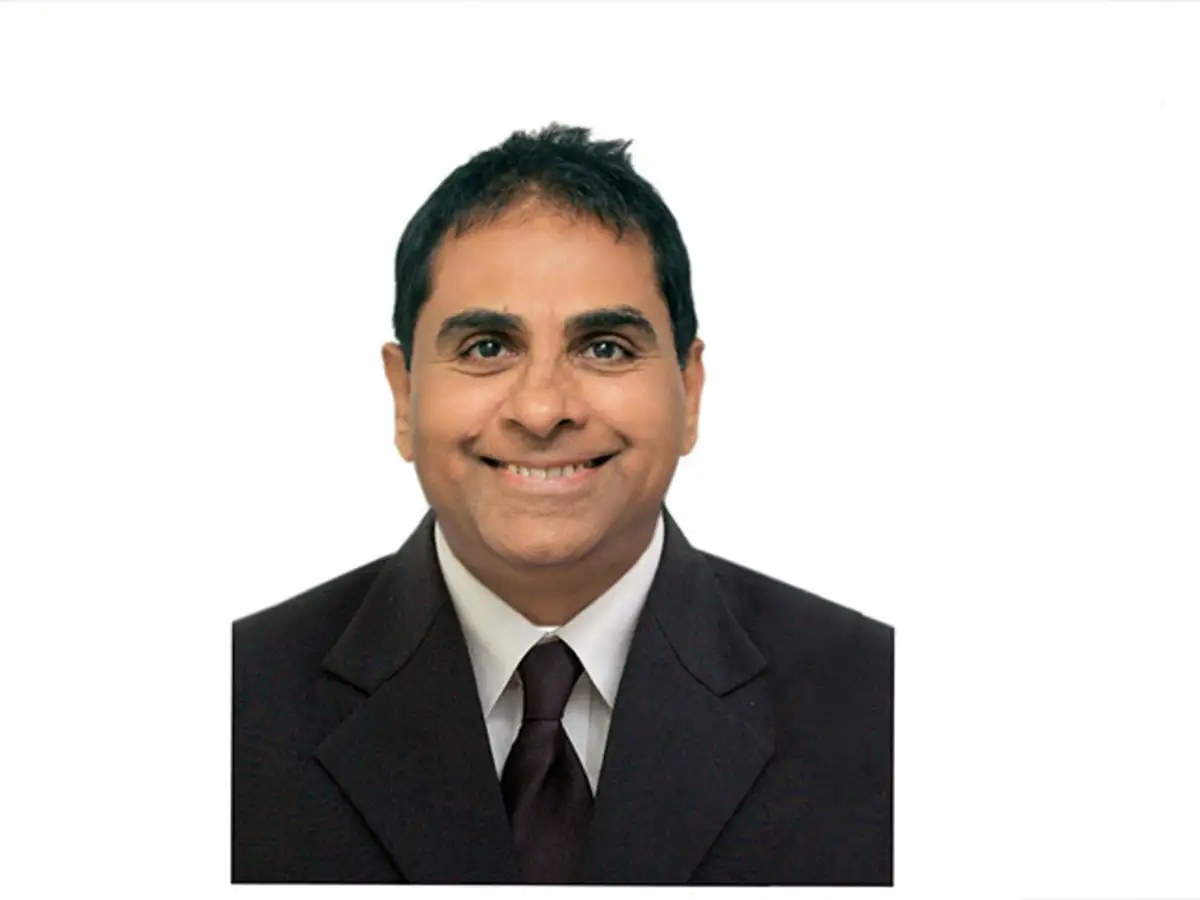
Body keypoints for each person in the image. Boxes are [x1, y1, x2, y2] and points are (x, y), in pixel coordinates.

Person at [232, 123, 893, 885]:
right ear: (404, 396)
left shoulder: (882, 701)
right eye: (487, 347)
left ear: (690, 391)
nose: (543, 410)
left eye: (605, 347)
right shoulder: (232, 701)